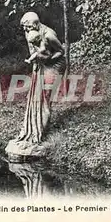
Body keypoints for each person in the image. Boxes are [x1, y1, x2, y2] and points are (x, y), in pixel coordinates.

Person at [17, 12, 66, 144]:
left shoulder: (49, 35)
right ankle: (31, 130)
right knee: (34, 97)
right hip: (40, 64)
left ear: (35, 24)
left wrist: (46, 59)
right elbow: (33, 51)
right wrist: (36, 62)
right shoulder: (30, 33)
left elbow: (61, 52)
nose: (25, 30)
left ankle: (40, 133)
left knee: (45, 96)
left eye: (27, 27)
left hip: (54, 64)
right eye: (24, 27)